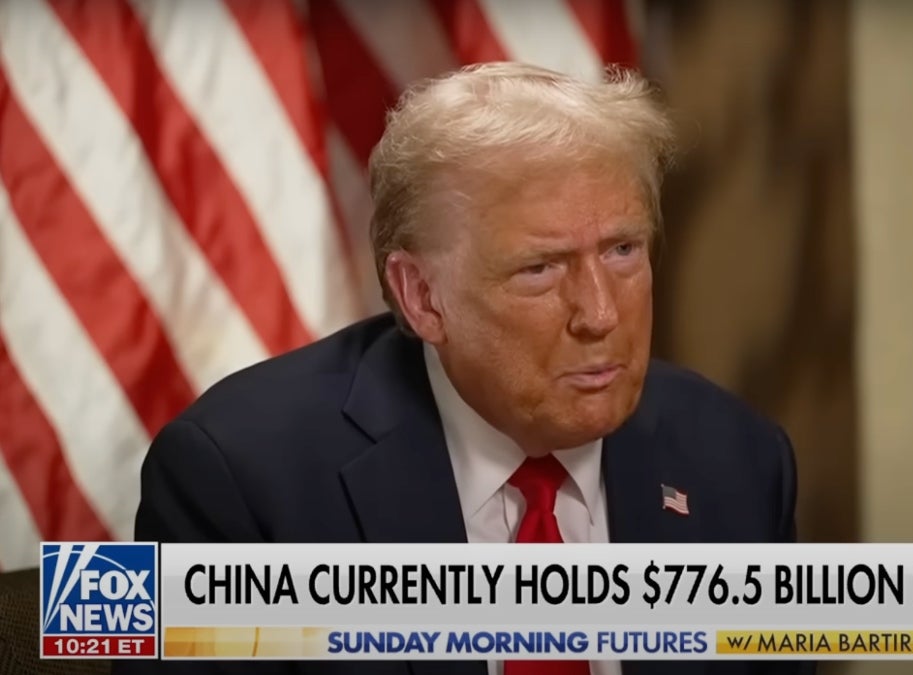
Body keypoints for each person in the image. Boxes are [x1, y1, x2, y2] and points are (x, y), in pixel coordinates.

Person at [118, 63, 813, 675]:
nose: (601, 314)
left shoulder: (738, 461)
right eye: (540, 268)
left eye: (623, 250)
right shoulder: (239, 479)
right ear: (423, 296)